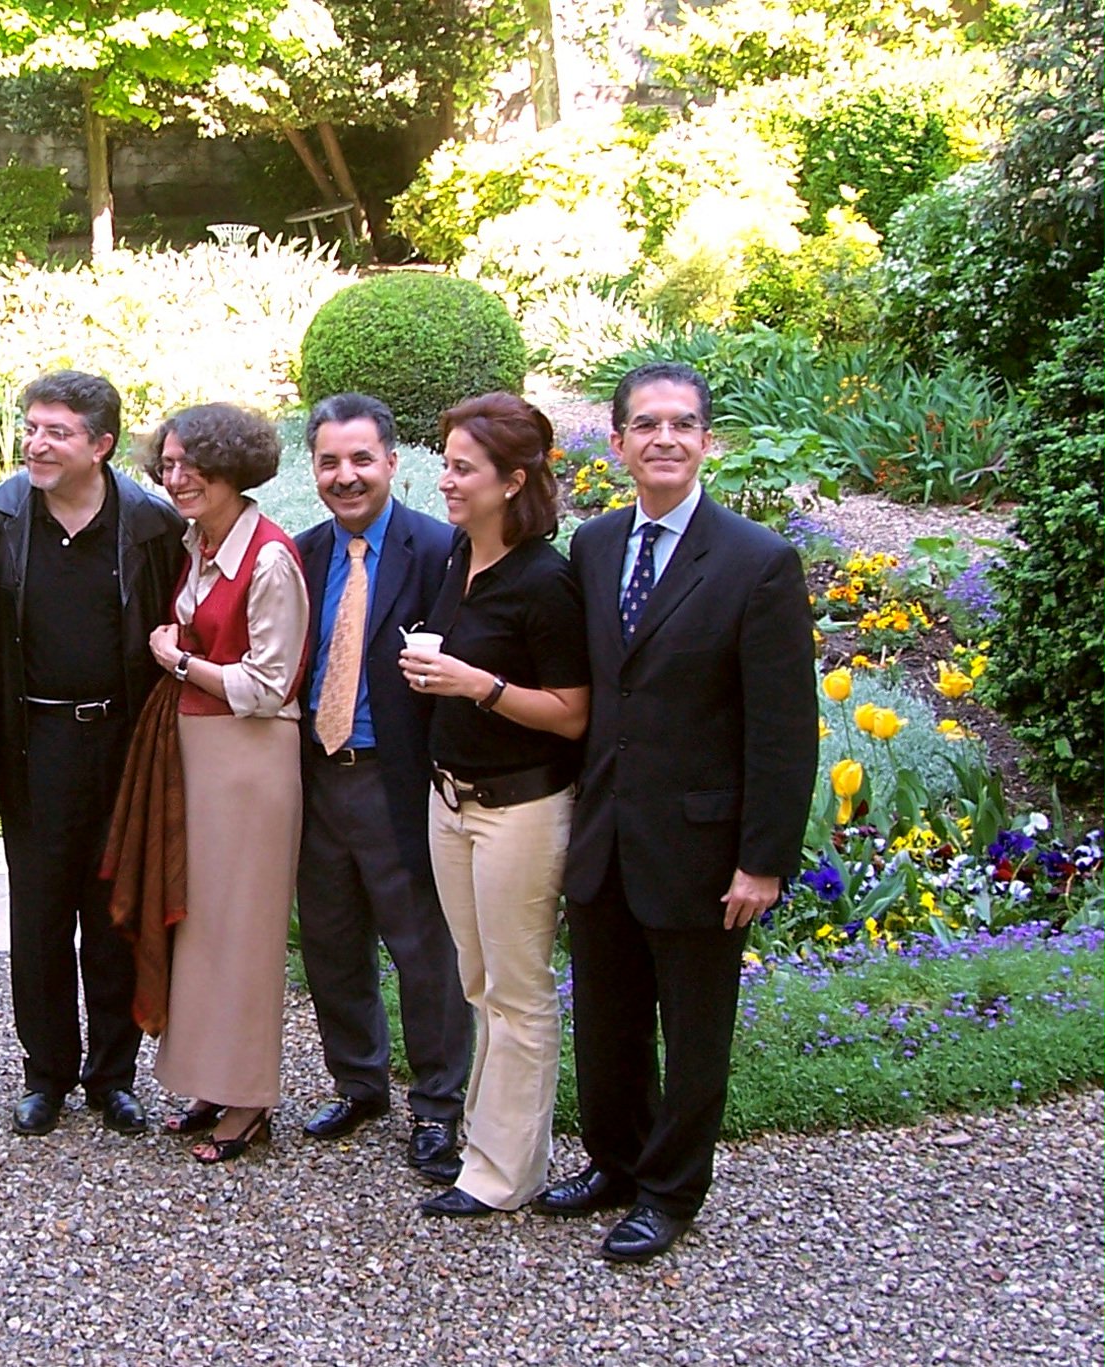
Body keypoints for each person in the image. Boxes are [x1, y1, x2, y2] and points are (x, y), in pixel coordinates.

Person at [540, 361, 816, 1261]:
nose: (665, 438)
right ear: (616, 442)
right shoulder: (596, 546)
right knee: (607, 1017)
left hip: (700, 846)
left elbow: (782, 729)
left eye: (683, 424)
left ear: (708, 442)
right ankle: (614, 1161)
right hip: (606, 832)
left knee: (693, 1030)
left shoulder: (758, 561)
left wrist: (763, 858)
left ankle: (669, 1190)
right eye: (646, 424)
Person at [398, 393, 590, 1217]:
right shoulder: (456, 560)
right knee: (479, 983)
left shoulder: (546, 580)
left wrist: (481, 686)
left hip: (519, 810)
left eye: (461, 468)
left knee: (517, 990)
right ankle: (489, 1145)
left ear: (513, 480)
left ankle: (504, 1175)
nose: (444, 480)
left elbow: (573, 711)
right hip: (451, 802)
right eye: (445, 463)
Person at [0, 371, 185, 1138]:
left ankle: (113, 1074)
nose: (36, 443)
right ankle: (46, 1076)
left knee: (114, 911)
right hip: (34, 742)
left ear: (100, 445)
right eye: (32, 427)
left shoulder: (150, 526)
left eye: (57, 431)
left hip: (124, 741)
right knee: (38, 917)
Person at [292, 393, 474, 1177]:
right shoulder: (299, 555)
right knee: (332, 945)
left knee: (423, 952)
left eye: (361, 459)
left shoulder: (442, 552)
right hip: (316, 778)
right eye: (330, 461)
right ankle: (358, 1083)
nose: (346, 475)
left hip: (398, 781)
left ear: (394, 463)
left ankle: (437, 1107)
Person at [142, 403, 310, 1164]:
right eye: (168, 464)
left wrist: (177, 661)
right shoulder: (200, 539)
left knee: (243, 929)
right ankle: (211, 1079)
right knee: (202, 925)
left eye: (192, 465)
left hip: (249, 759)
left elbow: (268, 683)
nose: (177, 478)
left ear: (233, 467)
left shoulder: (270, 557)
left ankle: (250, 1099)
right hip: (201, 750)